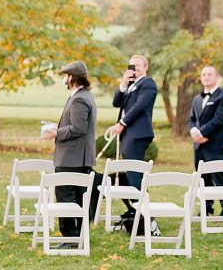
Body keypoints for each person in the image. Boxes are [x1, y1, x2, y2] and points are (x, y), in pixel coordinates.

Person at [42, 61, 97, 247]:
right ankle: (80, 235)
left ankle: (70, 237)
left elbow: (78, 128)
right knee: (80, 196)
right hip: (78, 156)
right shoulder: (83, 95)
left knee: (65, 195)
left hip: (72, 158)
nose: (64, 80)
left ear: (71, 78)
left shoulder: (79, 99)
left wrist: (56, 133)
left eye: (65, 76)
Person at [108, 54, 157, 228]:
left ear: (145, 67)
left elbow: (140, 106)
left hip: (137, 134)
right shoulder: (130, 85)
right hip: (128, 135)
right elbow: (116, 103)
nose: (134, 68)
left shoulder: (148, 83)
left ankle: (146, 217)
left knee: (135, 174)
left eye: (137, 66)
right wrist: (123, 84)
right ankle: (136, 212)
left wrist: (122, 123)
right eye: (131, 66)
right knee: (130, 174)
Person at [188, 65, 223, 217]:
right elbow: (192, 119)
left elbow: (219, 120)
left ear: (217, 77)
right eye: (203, 75)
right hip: (199, 146)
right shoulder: (197, 98)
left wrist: (202, 132)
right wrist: (194, 131)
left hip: (217, 145)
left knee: (220, 177)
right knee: (203, 178)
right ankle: (206, 208)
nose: (206, 77)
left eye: (209, 74)